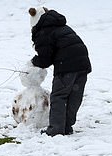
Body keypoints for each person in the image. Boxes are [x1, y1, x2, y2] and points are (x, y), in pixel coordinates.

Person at [29, 6, 92, 136]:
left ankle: (56, 130)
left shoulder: (44, 31)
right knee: (74, 95)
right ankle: (66, 126)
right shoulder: (60, 26)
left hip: (67, 67)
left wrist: (33, 62)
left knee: (59, 96)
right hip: (83, 64)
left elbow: (45, 59)